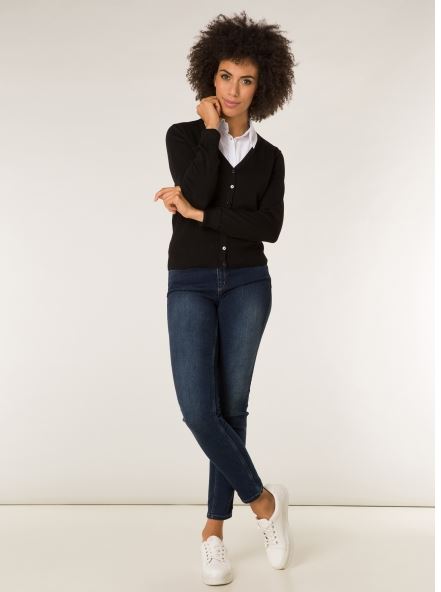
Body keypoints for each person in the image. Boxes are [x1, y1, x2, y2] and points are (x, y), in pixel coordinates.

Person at [154, 11, 297, 586]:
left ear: (263, 88)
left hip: (247, 284)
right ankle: (264, 503)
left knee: (231, 408)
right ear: (208, 77)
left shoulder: (271, 157)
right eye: (224, 76)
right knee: (199, 410)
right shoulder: (183, 136)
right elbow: (200, 184)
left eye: (246, 80)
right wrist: (211, 133)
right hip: (190, 281)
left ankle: (213, 531)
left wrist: (197, 215)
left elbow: (268, 227)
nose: (233, 90)